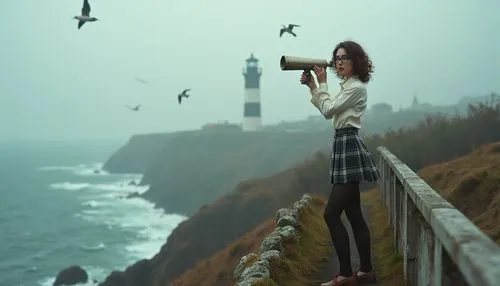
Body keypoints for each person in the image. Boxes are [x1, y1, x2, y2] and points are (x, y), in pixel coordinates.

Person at [300, 40, 380, 286]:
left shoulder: (355, 87)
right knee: (354, 214)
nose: (339, 62)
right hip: (343, 144)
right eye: (336, 58)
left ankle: (345, 275)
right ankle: (365, 272)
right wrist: (314, 86)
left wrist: (321, 83)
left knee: (331, 213)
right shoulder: (348, 87)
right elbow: (329, 107)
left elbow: (328, 110)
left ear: (356, 60)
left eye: (344, 57)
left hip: (349, 146)